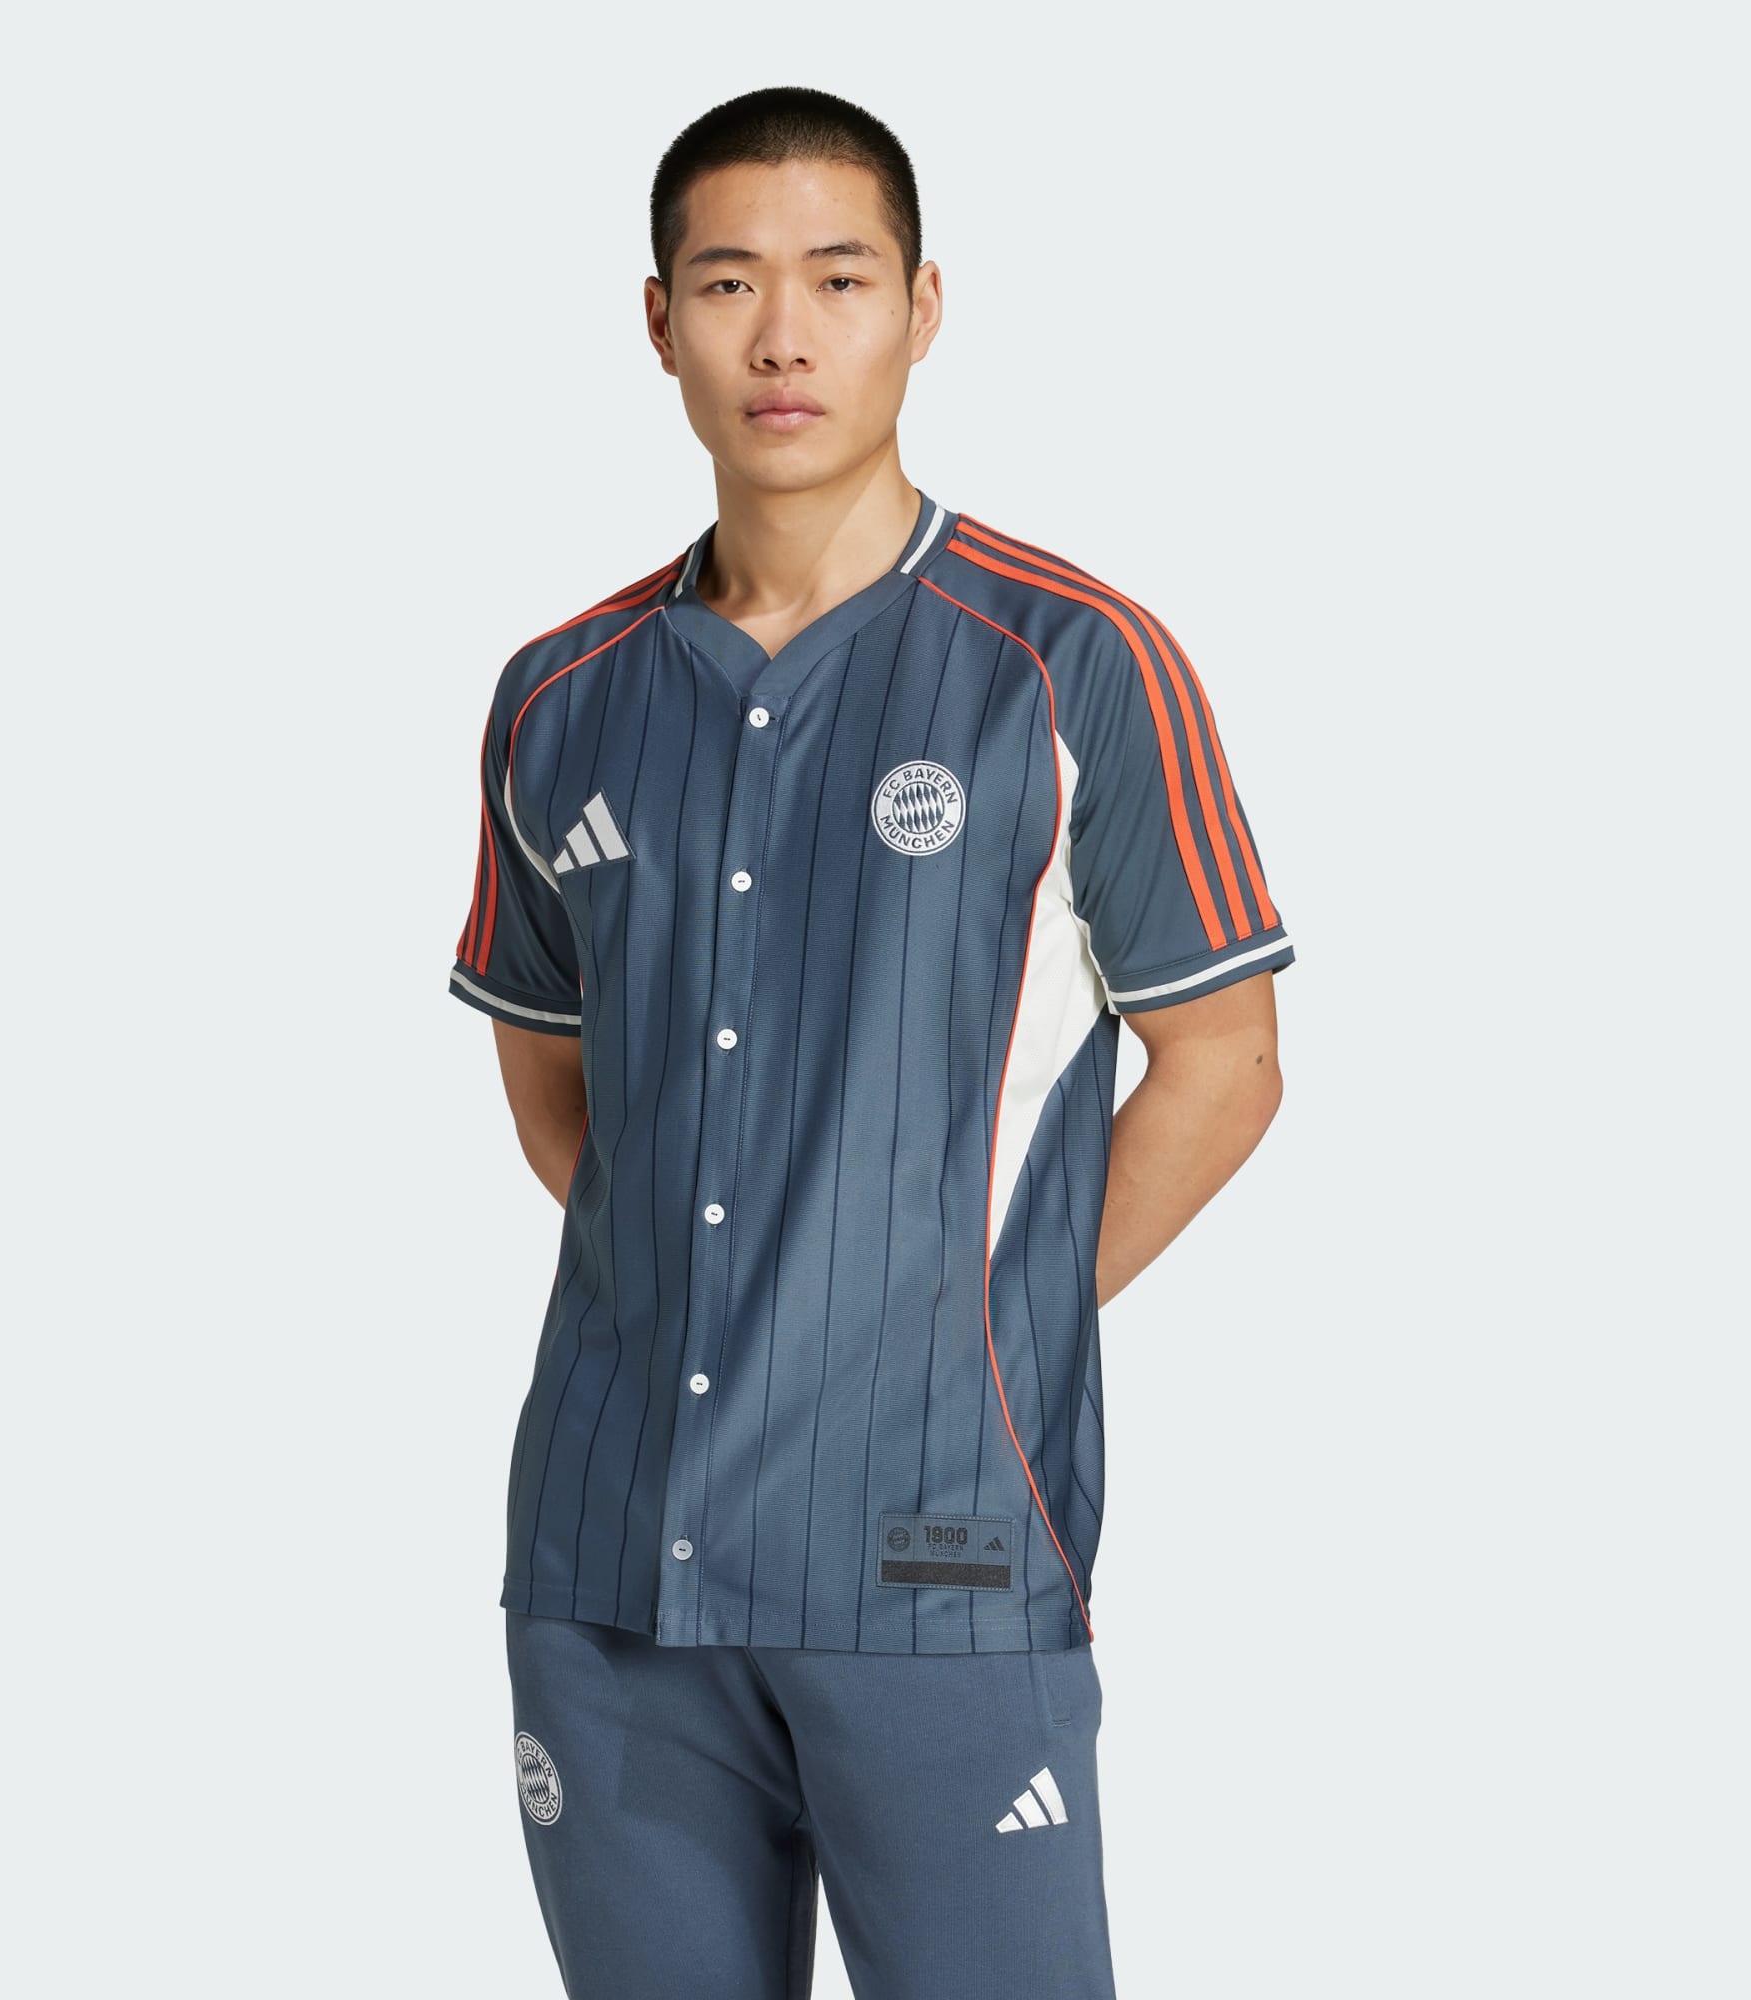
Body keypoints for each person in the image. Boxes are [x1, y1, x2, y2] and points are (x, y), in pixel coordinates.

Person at [446, 83, 1294, 2000]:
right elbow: (560, 1088)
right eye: (727, 282)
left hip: (939, 1563)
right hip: (604, 1566)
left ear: (922, 308)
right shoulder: (558, 699)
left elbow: (1227, 1066)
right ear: (657, 320)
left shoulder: (1074, 664)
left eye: (837, 279)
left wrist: (945, 1321)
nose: (783, 335)